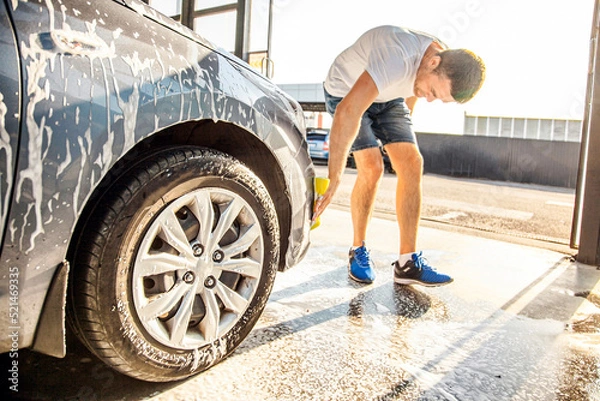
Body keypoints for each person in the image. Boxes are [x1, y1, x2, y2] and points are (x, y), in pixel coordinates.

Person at [313, 25, 485, 286]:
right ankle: (358, 250)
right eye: (434, 92)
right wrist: (334, 179)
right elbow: (349, 110)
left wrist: (396, 142)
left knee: (412, 162)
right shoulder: (396, 57)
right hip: (346, 91)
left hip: (389, 97)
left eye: (438, 99)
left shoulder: (435, 62)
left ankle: (407, 264)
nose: (430, 99)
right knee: (372, 167)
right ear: (433, 62)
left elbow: (413, 95)